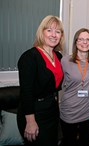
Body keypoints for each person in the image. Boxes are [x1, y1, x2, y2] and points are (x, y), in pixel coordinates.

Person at [17, 15, 65, 146]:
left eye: (58, 31)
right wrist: (30, 121)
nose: (53, 35)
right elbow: (26, 92)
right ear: (42, 32)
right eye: (49, 30)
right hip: (34, 113)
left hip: (52, 110)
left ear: (61, 36)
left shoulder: (59, 56)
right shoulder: (29, 57)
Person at [59, 28, 89, 146]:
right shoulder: (65, 60)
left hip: (87, 111)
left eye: (87, 39)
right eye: (81, 39)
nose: (84, 42)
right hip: (69, 111)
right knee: (69, 142)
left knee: (85, 142)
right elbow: (59, 83)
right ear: (75, 42)